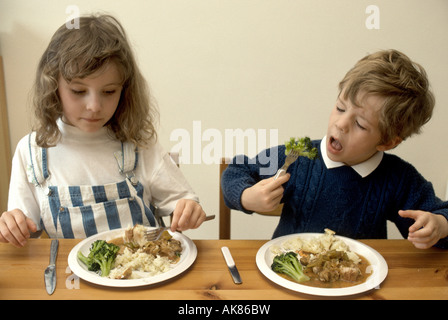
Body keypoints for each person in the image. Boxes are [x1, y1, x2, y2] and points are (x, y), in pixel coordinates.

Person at [0, 14, 206, 247]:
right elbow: (25, 230)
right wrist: (12, 226)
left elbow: (183, 201)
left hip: (143, 277)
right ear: (52, 85)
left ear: (124, 90)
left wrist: (189, 208)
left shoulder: (138, 145)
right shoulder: (33, 153)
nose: (94, 107)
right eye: (78, 91)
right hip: (70, 279)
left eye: (109, 92)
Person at [221, 49, 448, 249]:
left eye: (360, 124)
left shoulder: (398, 178)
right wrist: (246, 196)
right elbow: (236, 170)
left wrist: (439, 225)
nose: (341, 124)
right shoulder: (298, 155)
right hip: (287, 279)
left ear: (387, 142)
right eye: (340, 108)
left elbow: (441, 215)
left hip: (358, 286)